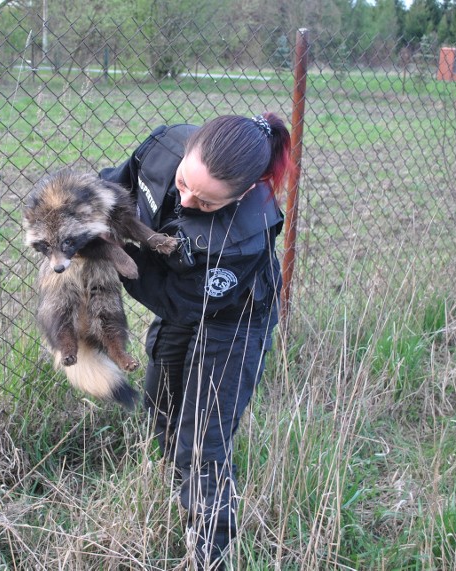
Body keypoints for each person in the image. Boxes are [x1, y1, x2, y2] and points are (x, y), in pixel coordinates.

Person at [100, 113, 291, 569]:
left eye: (204, 203)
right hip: (179, 287)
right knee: (160, 399)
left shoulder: (242, 233)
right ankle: (175, 490)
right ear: (187, 152)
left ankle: (210, 550)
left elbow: (178, 301)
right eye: (184, 182)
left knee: (203, 438)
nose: (185, 200)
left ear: (243, 194)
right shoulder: (165, 145)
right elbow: (114, 187)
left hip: (233, 316)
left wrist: (111, 252)